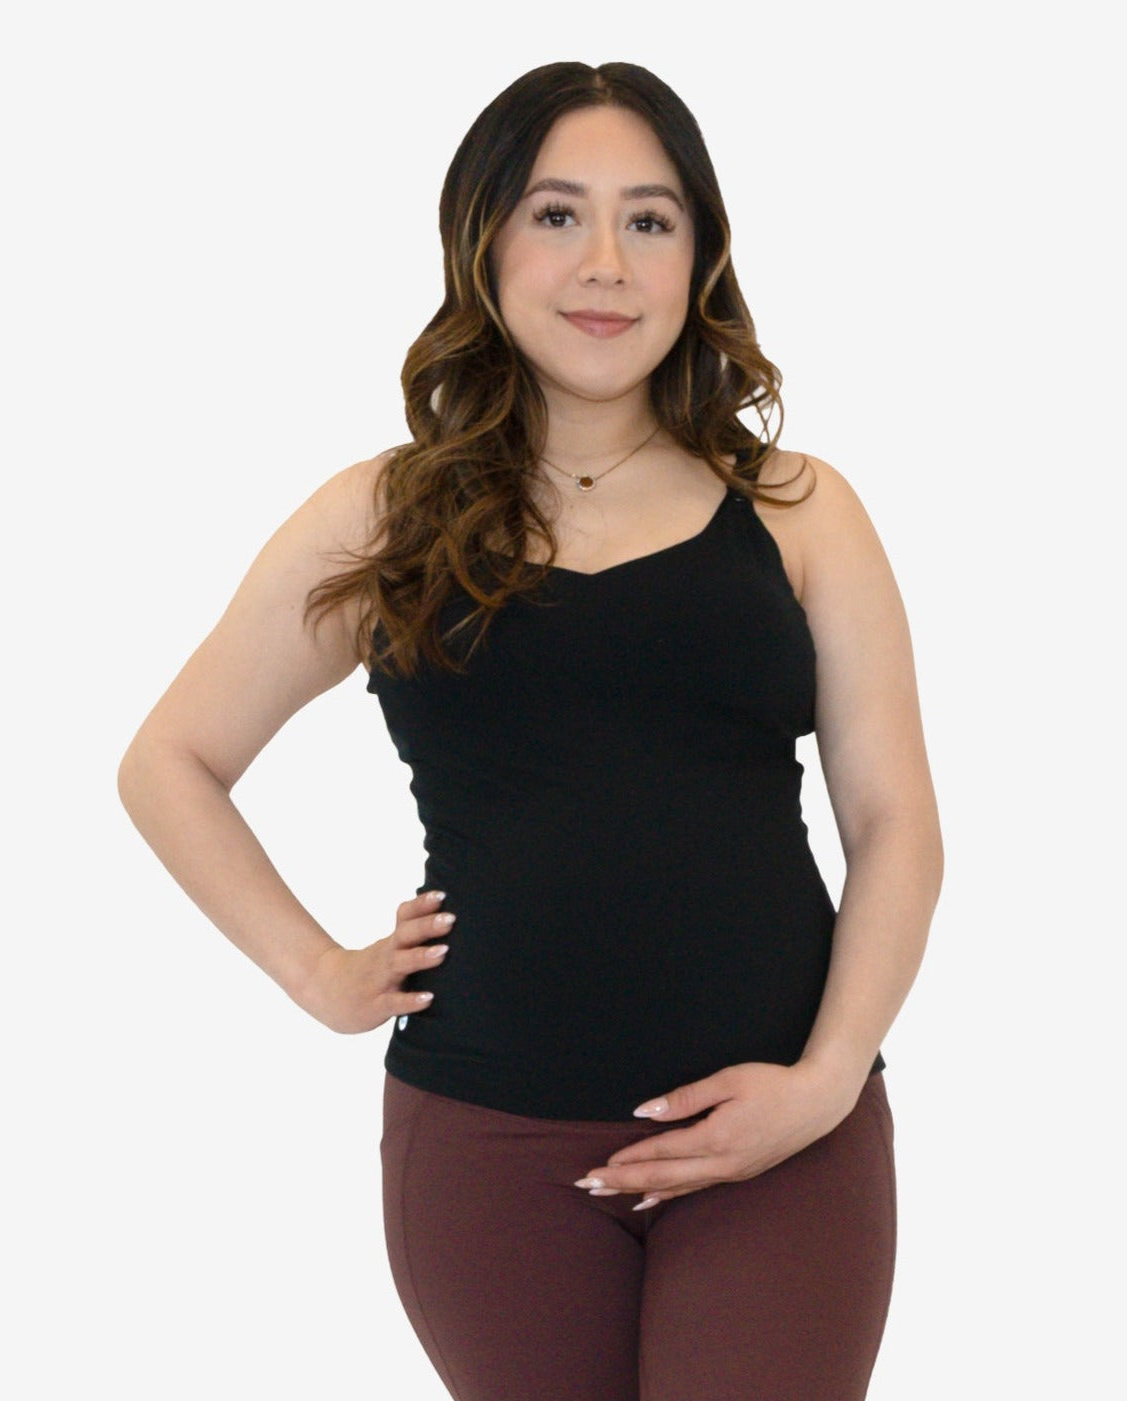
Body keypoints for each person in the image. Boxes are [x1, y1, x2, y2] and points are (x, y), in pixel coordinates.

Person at [118, 59, 942, 1401]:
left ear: (699, 256)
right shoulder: (382, 516)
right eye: (558, 214)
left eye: (649, 219)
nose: (605, 261)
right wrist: (317, 972)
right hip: (486, 1145)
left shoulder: (800, 509)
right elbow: (170, 762)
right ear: (484, 240)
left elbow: (895, 821)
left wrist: (830, 1075)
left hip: (783, 1132)